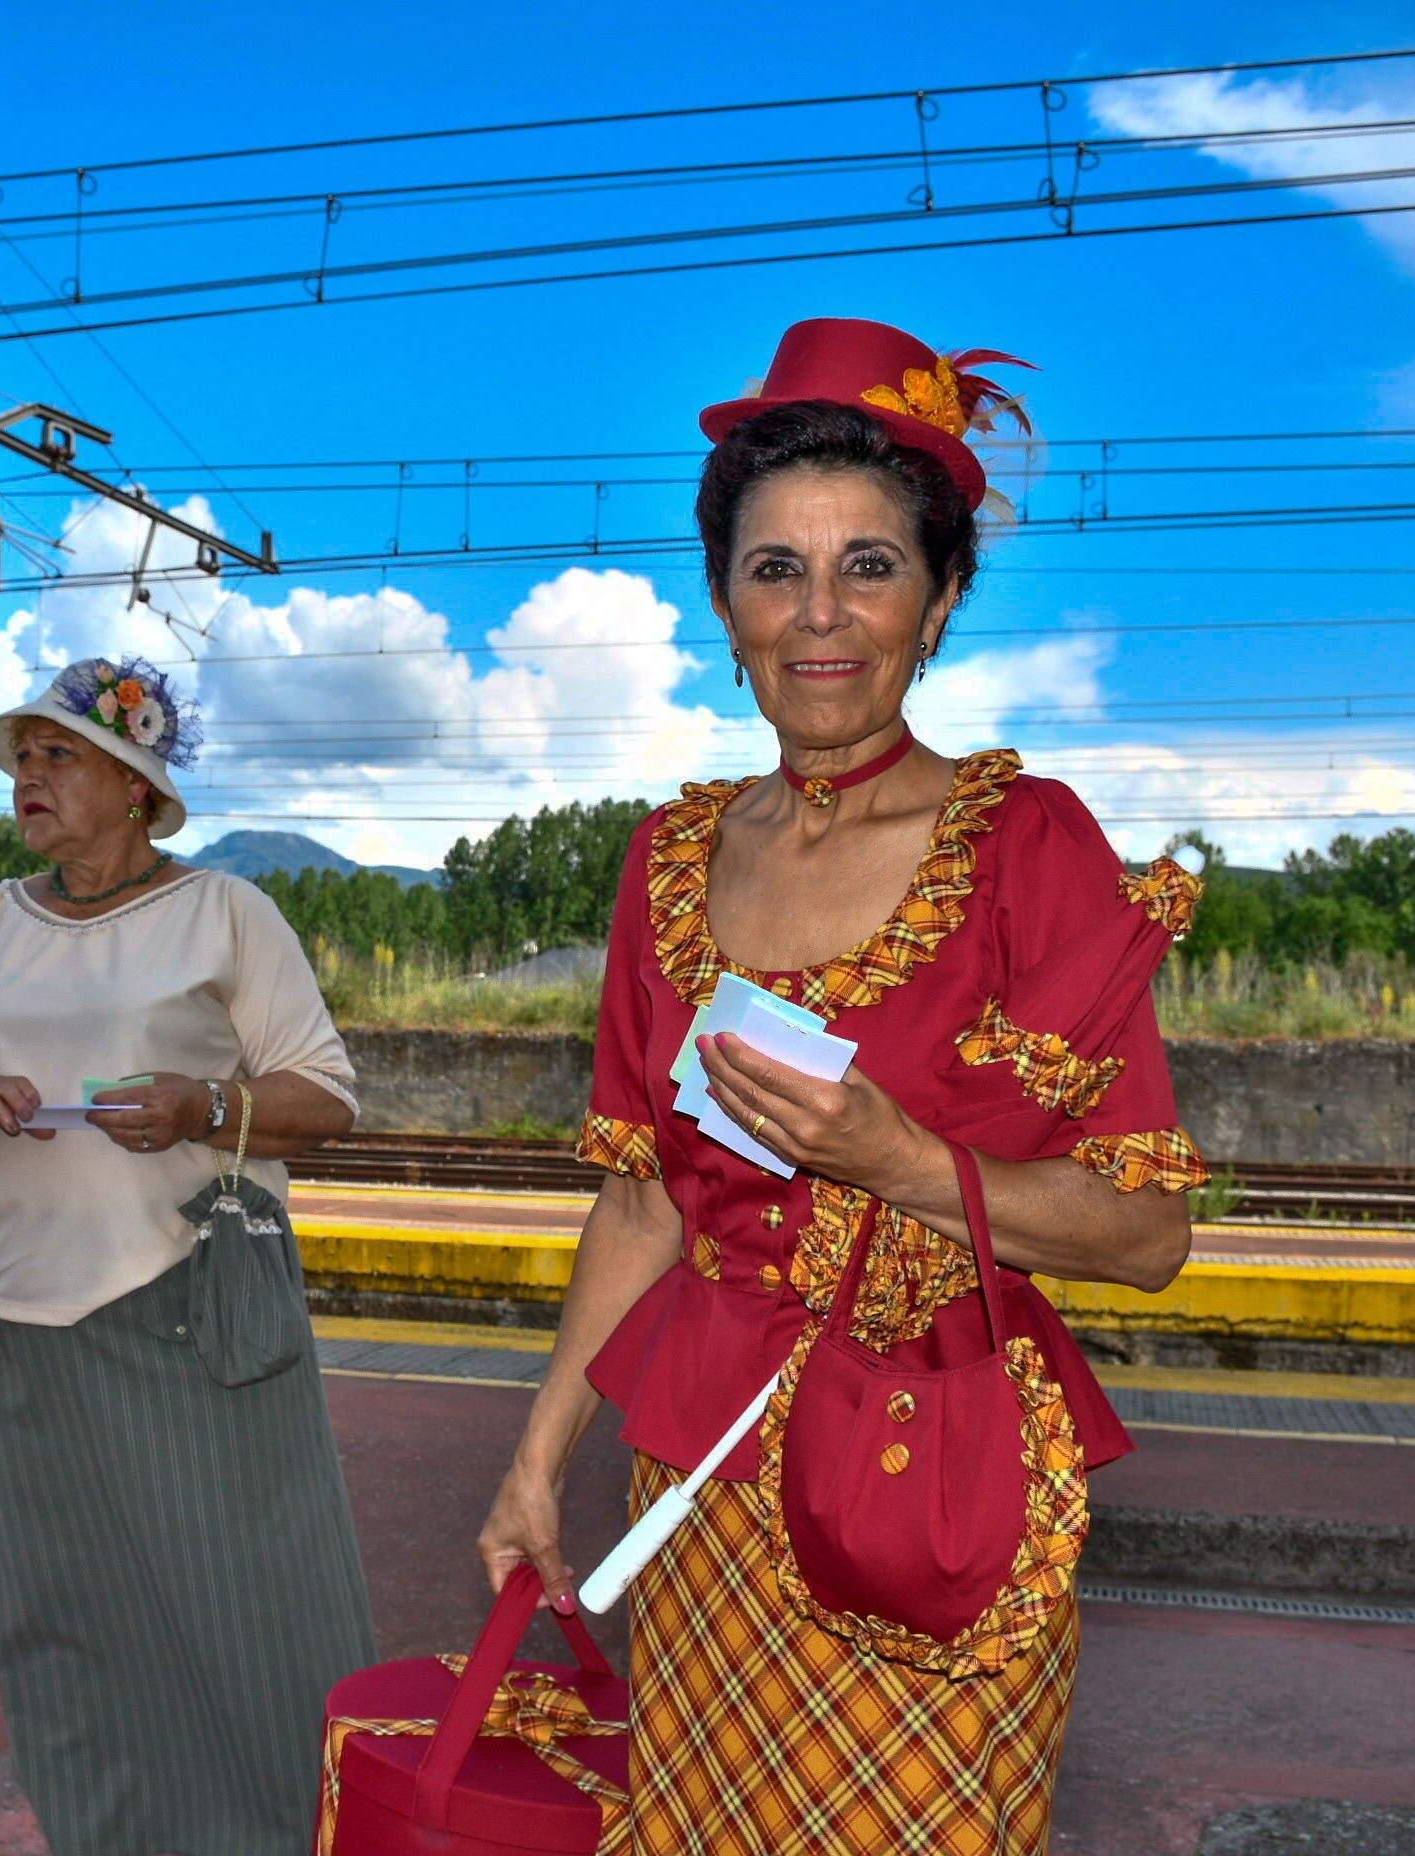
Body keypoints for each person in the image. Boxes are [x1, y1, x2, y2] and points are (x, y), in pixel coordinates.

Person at [476, 318, 1207, 1854]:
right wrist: (539, 1458)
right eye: (775, 569)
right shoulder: (669, 859)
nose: (822, 616)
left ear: (938, 605)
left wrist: (902, 1158)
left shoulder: (1029, 849)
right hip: (701, 1489)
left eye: (870, 567)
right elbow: (642, 1194)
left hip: (931, 1480)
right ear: (724, 605)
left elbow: (1145, 1236)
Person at [0, 655, 375, 1855]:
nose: (29, 777)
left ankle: (287, 1835)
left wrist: (206, 1104)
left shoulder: (224, 914)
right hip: (14, 1330)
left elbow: (329, 1097)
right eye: (23, 757)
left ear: (135, 785)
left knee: (238, 1611)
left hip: (185, 1316)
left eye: (59, 755)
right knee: (67, 1629)